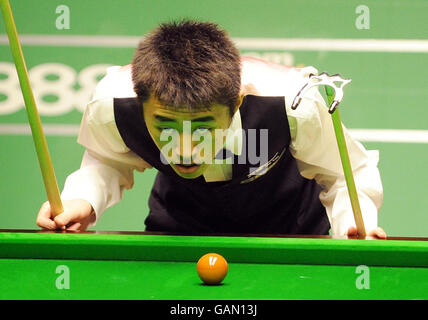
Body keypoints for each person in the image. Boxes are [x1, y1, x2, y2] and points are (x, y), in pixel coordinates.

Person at [36, 20, 386, 238]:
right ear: (141, 103)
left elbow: (346, 172)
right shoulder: (112, 104)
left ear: (236, 102)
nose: (185, 147)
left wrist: (355, 224)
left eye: (203, 125)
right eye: (166, 125)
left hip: (292, 232)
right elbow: (108, 160)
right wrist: (82, 199)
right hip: (179, 231)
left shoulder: (293, 103)